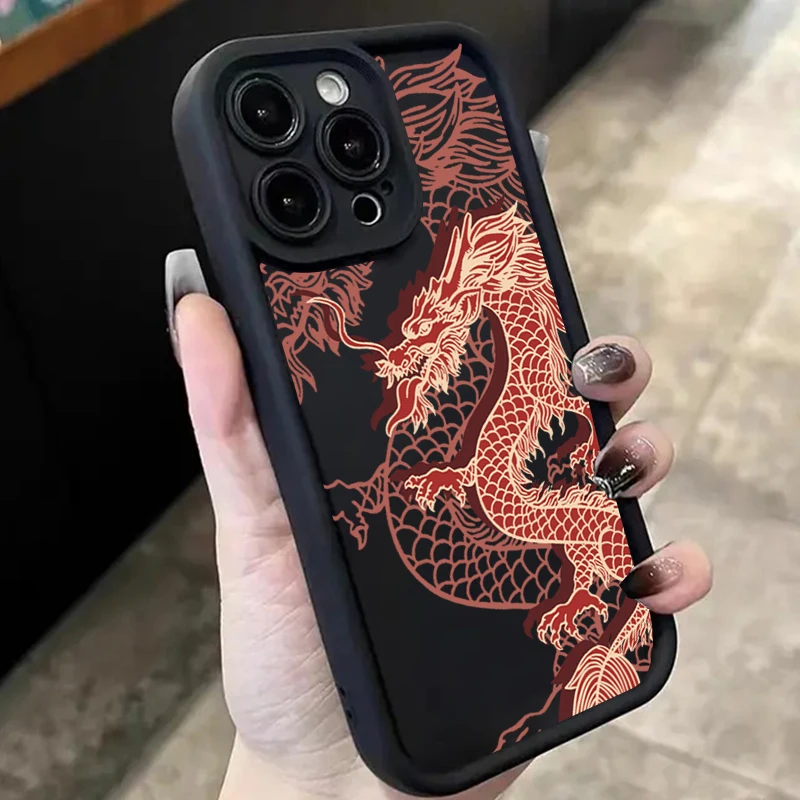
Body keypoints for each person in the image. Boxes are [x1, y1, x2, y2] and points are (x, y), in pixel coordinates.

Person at [170, 290, 713, 800]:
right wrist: (299, 779)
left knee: (559, 499)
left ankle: (587, 592)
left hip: (529, 509)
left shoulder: (501, 314)